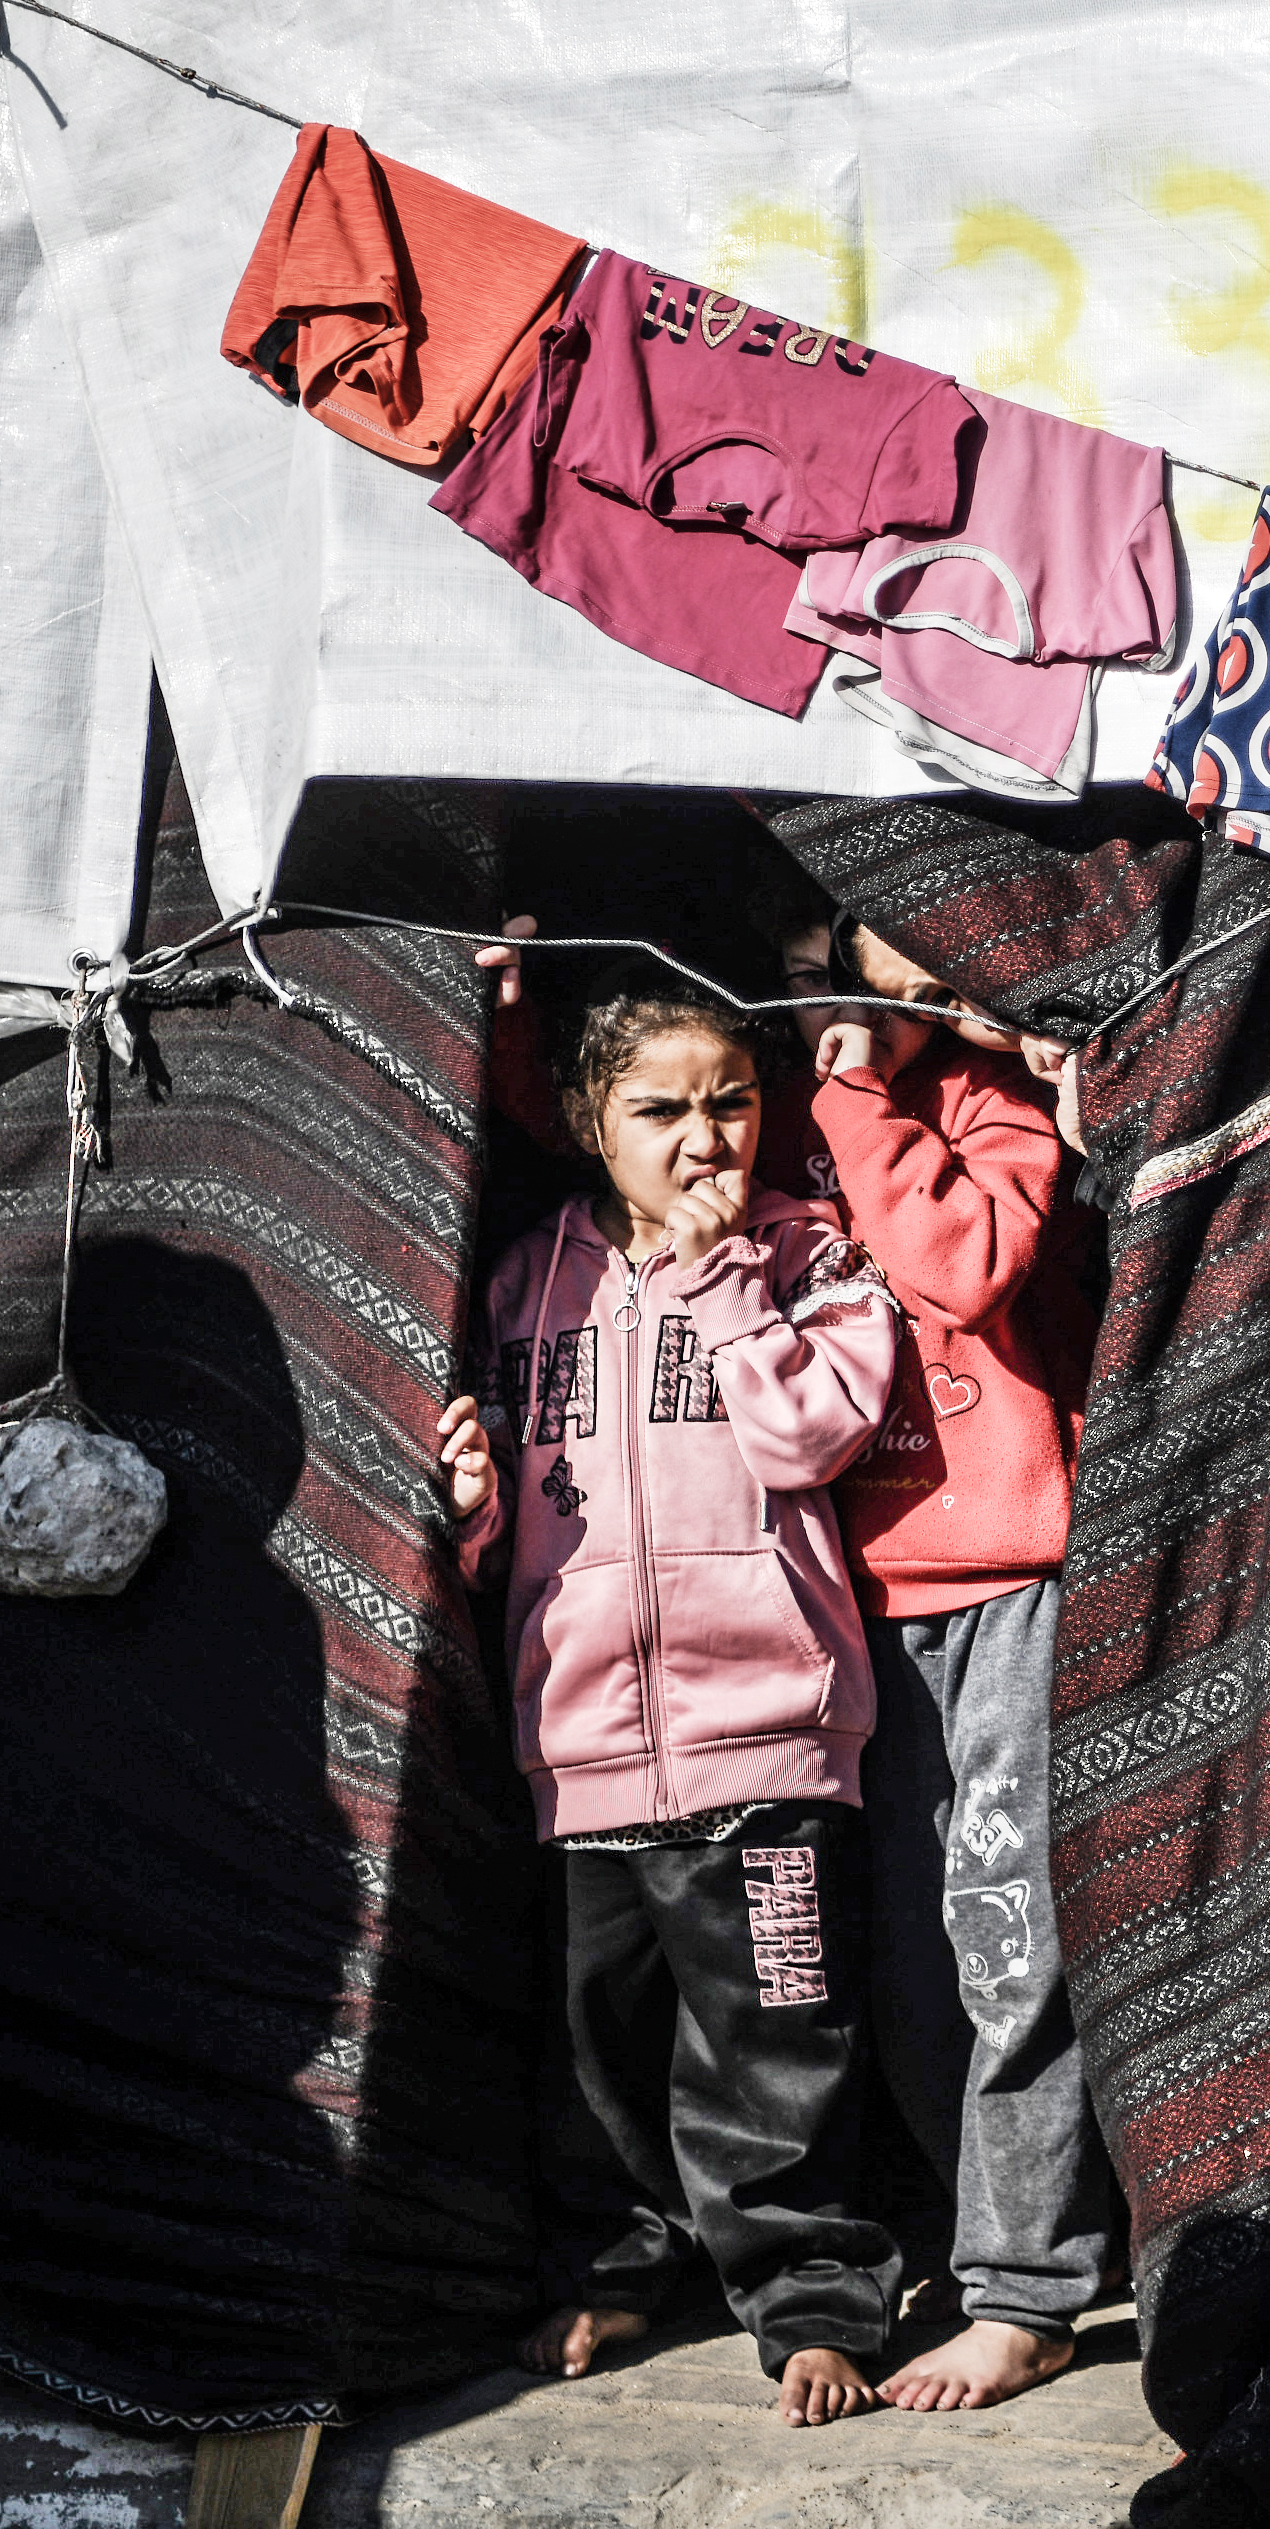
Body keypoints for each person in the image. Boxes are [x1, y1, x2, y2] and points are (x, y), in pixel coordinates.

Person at [434, 982, 909, 2427]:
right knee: (604, 2048)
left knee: (779, 2029)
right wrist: (466, 1510)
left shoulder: (811, 1255)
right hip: (580, 1740)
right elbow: (510, 1510)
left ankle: (816, 2293)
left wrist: (720, 1287)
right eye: (661, 1111)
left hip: (763, 1725)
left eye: (731, 1102)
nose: (706, 1141)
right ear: (591, 1124)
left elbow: (814, 1434)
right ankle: (629, 2260)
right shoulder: (530, 1279)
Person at [767, 892, 1116, 2414]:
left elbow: (968, 1264)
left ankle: (1031, 2287)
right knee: (895, 1954)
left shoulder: (989, 1104)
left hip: (1004, 1577)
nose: (886, 996)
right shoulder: (772, 1112)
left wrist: (863, 1094)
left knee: (1007, 1937)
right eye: (857, 970)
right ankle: (959, 2228)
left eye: (923, 970)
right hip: (835, 1592)